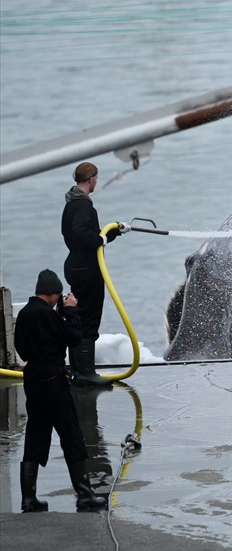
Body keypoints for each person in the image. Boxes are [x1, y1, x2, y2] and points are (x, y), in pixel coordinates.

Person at [15, 269, 108, 512]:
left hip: (33, 380)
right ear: (54, 293)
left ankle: (29, 499)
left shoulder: (25, 314)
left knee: (35, 435)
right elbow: (74, 337)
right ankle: (85, 495)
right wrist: (71, 311)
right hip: (54, 381)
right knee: (71, 435)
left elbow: (22, 350)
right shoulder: (47, 315)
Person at [62, 161, 123, 386]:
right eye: (96, 178)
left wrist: (112, 233)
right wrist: (101, 239)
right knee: (89, 318)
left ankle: (78, 371)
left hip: (75, 265)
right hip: (87, 269)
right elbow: (82, 234)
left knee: (77, 315)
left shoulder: (71, 203)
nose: (96, 181)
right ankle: (86, 374)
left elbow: (84, 234)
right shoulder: (82, 206)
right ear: (91, 179)